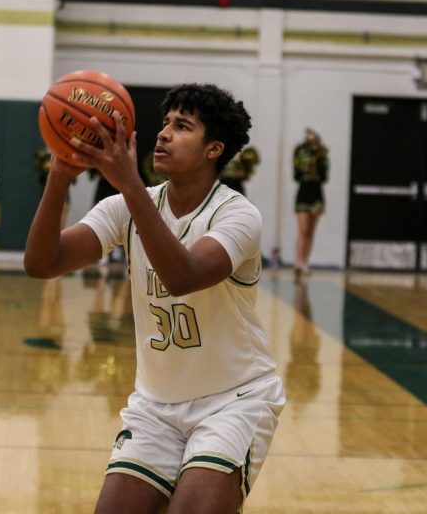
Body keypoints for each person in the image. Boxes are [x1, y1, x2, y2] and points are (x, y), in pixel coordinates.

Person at [25, 83, 285, 513]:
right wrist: (60, 174)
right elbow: (42, 262)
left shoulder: (237, 215)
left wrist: (129, 184)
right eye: (164, 123)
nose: (163, 133)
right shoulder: (127, 206)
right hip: (155, 405)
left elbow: (183, 275)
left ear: (213, 149)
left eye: (182, 127)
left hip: (234, 400)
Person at [292, 128, 329, 280]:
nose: (309, 137)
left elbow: (324, 175)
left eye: (312, 134)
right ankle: (298, 262)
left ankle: (305, 262)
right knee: (303, 229)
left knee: (311, 232)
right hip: (304, 190)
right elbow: (296, 174)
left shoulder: (321, 152)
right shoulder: (300, 150)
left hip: (316, 191)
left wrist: (319, 155)